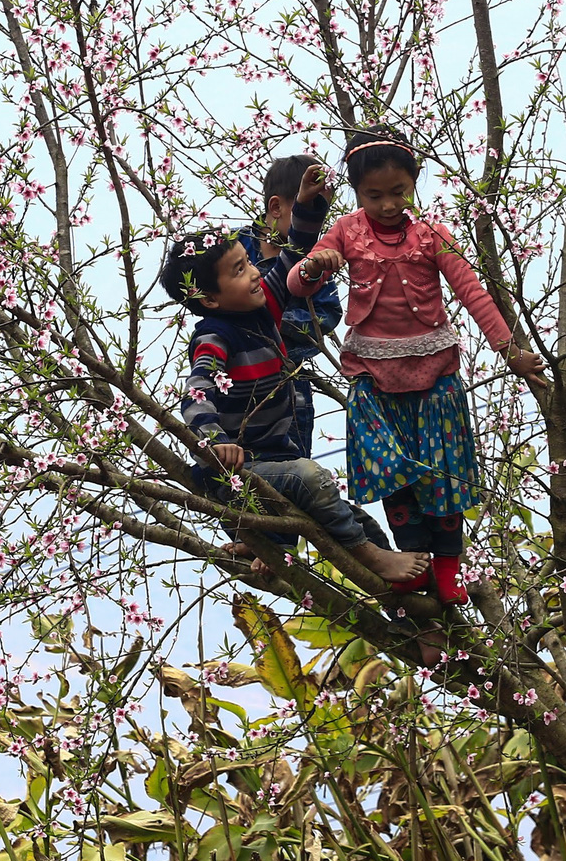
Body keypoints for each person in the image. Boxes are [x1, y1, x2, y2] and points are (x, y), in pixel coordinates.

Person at [286, 128, 546, 605]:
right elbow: (296, 286)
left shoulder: (432, 235)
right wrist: (314, 266)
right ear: (356, 192)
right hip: (373, 377)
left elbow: (471, 292)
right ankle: (415, 563)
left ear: (415, 182)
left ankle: (449, 569)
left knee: (443, 475)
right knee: (393, 475)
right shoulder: (345, 231)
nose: (388, 204)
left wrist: (509, 350)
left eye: (399, 192)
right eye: (374, 194)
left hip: (435, 375)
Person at [161, 169, 429, 586]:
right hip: (240, 470)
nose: (253, 272)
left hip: (275, 463)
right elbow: (197, 391)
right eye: (238, 270)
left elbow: (294, 250)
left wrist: (308, 203)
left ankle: (407, 605)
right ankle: (352, 556)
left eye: (248, 262)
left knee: (354, 520)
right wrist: (216, 443)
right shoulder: (215, 336)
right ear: (210, 298)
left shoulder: (264, 305)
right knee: (314, 480)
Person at [237, 154, 344, 459]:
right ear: (276, 207)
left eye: (321, 211)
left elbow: (328, 312)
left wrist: (281, 323)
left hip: (288, 379)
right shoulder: (235, 250)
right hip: (237, 375)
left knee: (294, 463)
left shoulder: (315, 256)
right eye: (308, 208)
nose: (315, 221)